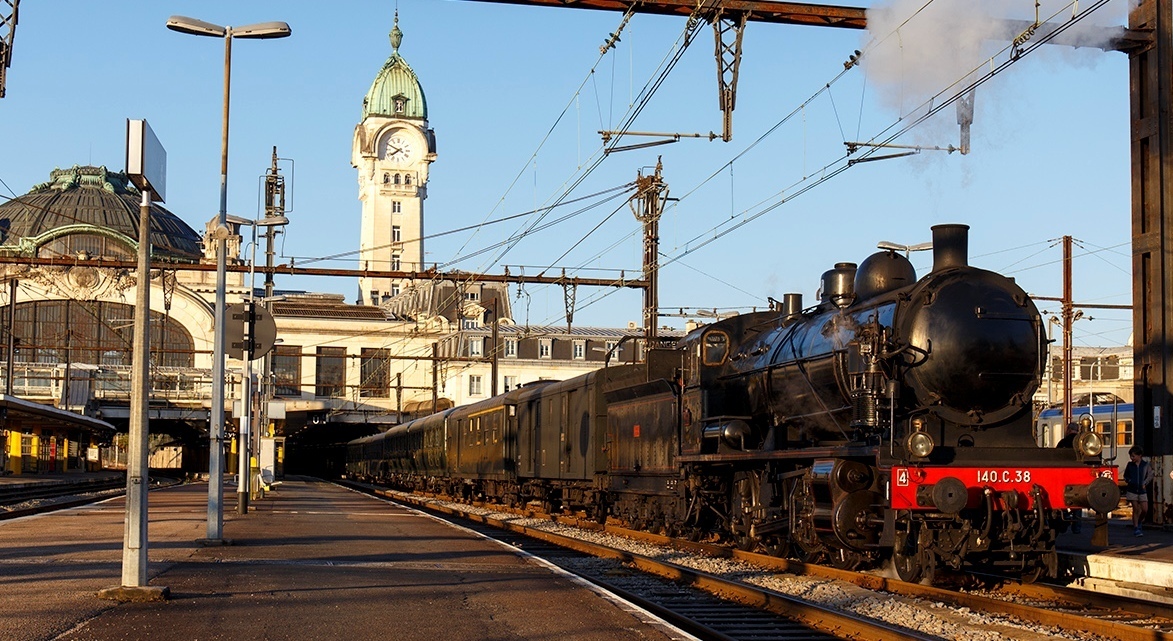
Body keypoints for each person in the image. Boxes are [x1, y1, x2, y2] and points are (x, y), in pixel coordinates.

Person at [1056, 423, 1082, 532]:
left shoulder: (1063, 442)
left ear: (1068, 430)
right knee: (1079, 500)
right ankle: (1076, 527)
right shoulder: (1082, 442)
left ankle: (1063, 520)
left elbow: (1056, 457)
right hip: (1079, 475)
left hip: (1065, 475)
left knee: (1063, 499)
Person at [1123, 445, 1154, 536]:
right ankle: (1136, 527)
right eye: (1131, 456)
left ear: (1139, 455)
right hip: (1132, 489)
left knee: (1145, 509)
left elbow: (1150, 475)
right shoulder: (1130, 465)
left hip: (1142, 489)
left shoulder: (1145, 465)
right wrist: (1129, 480)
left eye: (1133, 456)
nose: (1132, 458)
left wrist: (1145, 483)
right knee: (1135, 509)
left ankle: (1139, 521)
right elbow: (1126, 476)